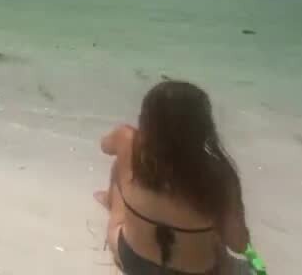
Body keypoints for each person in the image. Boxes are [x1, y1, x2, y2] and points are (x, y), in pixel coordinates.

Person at [96, 80, 251, 275]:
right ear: (204, 128)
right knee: (214, 237)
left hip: (135, 262)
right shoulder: (219, 174)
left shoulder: (128, 141)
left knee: (121, 165)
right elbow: (238, 243)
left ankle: (113, 203)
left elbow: (104, 146)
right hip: (199, 273)